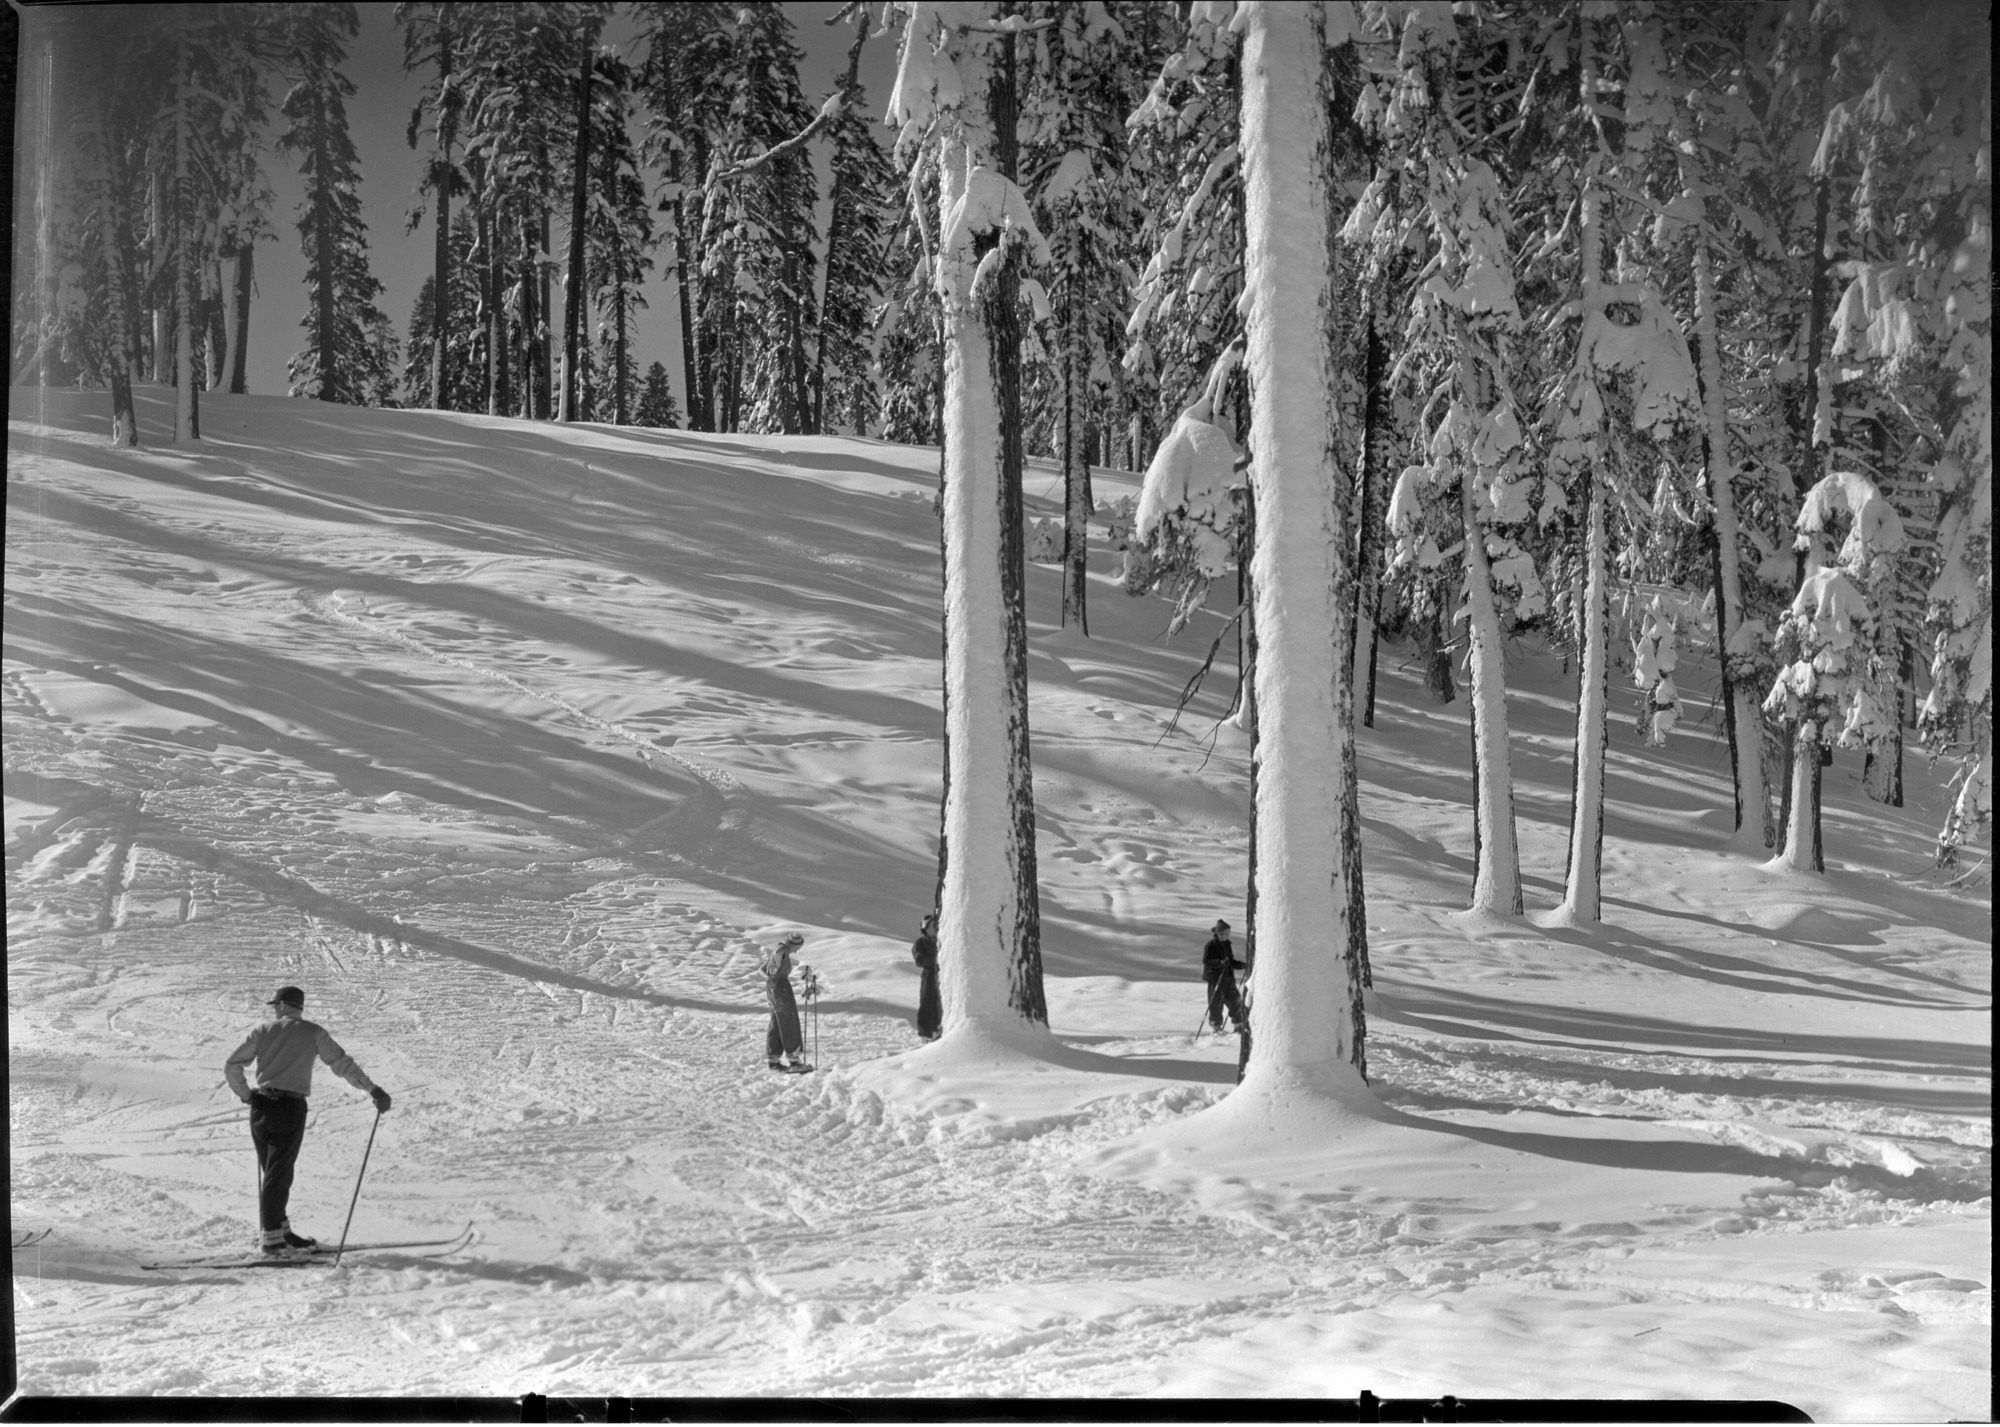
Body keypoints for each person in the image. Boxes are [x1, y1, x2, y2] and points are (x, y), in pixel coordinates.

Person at [222, 985, 392, 1256]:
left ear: (281, 1005)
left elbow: (232, 1065)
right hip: (290, 1107)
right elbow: (341, 1064)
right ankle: (273, 1240)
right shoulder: (313, 1032)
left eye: (275, 1005)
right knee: (279, 1174)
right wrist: (374, 1090)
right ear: (298, 1007)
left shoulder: (262, 1031)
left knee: (273, 1173)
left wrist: (247, 1096)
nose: (275, 1009)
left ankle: (280, 1231)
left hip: (261, 1107)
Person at [762, 933, 809, 1072]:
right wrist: (777, 977)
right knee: (789, 1020)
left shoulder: (779, 951)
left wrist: (772, 979)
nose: (796, 951)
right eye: (797, 948)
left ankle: (773, 1060)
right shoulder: (781, 951)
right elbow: (778, 954)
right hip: (780, 987)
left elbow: (762, 970)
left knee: (777, 1021)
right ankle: (794, 1060)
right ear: (793, 945)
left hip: (772, 987)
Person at [1202, 919, 1247, 1034]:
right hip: (1215, 978)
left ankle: (1238, 1025)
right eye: (1223, 934)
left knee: (1236, 1000)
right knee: (1216, 1003)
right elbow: (1206, 961)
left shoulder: (1227, 944)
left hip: (1228, 978)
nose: (1225, 936)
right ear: (1217, 933)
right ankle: (1216, 1028)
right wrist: (1220, 963)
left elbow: (1230, 961)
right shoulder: (1211, 945)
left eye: (1227, 934)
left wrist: (1242, 965)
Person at [911, 912, 942, 1041]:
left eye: (936, 926)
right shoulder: (920, 943)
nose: (935, 929)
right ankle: (925, 1033)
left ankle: (937, 1030)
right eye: (932, 926)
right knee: (926, 1002)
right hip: (929, 974)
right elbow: (919, 961)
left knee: (939, 1003)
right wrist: (936, 959)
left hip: (941, 974)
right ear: (925, 928)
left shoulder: (941, 941)